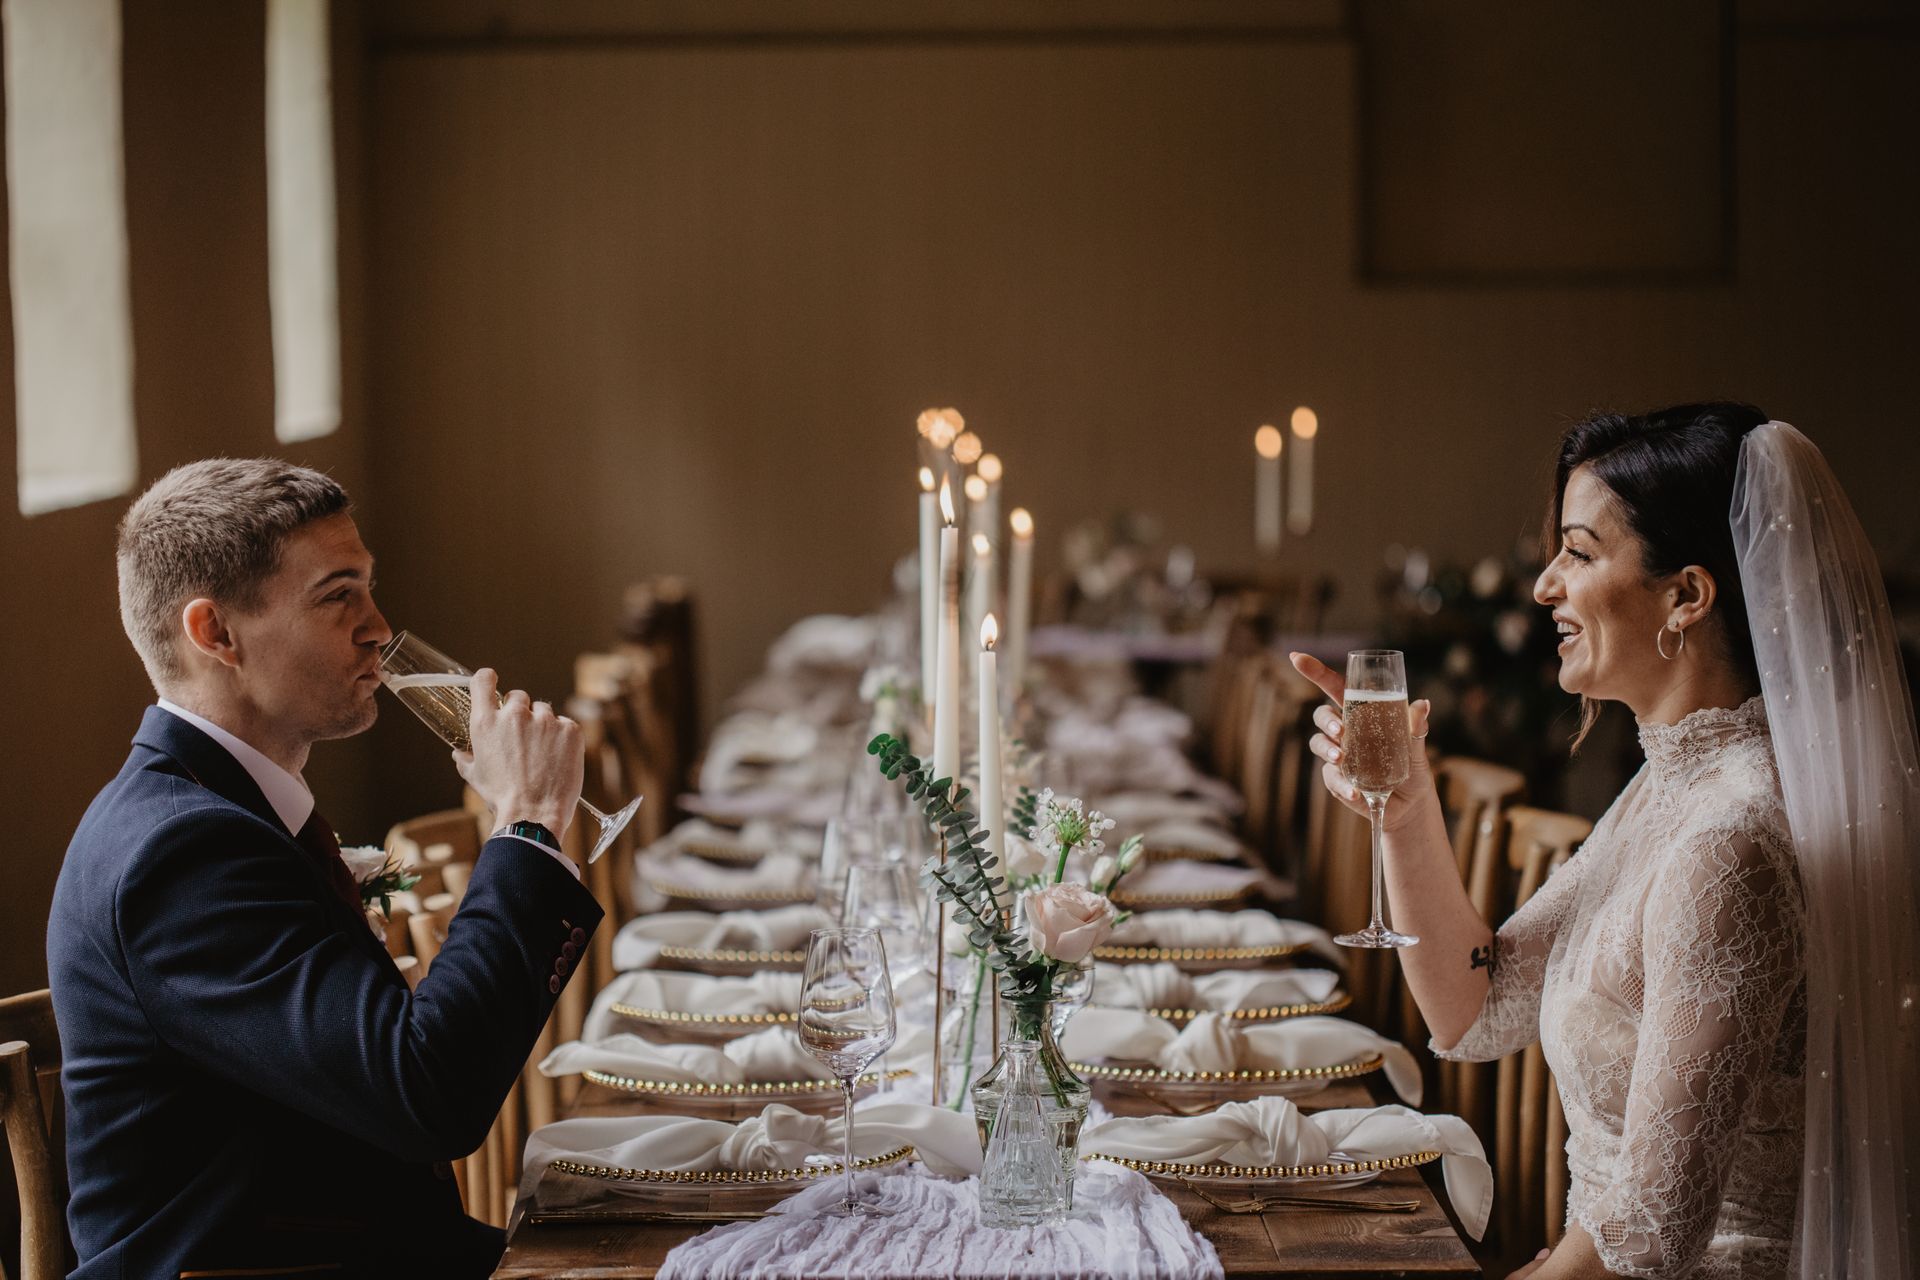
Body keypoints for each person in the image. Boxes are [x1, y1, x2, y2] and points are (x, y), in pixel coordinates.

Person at [1293, 404, 1917, 1280]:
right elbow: (1475, 1008)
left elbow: (1655, 1234)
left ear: (1686, 597)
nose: (1545, 585)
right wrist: (1404, 809)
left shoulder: (1730, 840)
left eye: (1579, 553)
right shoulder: (1667, 787)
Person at [48, 458, 603, 1278]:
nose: (378, 626)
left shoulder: (220, 811)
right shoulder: (181, 852)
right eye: (338, 595)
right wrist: (525, 823)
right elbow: (429, 1094)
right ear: (216, 634)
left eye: (369, 588)